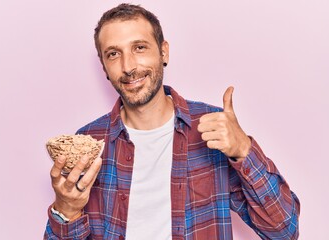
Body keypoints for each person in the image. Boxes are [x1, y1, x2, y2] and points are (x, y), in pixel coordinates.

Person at [44, 3, 300, 240]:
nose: (128, 66)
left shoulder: (211, 129)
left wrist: (244, 149)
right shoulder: (89, 142)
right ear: (104, 67)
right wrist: (66, 210)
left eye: (139, 47)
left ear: (163, 52)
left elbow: (284, 231)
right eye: (113, 54)